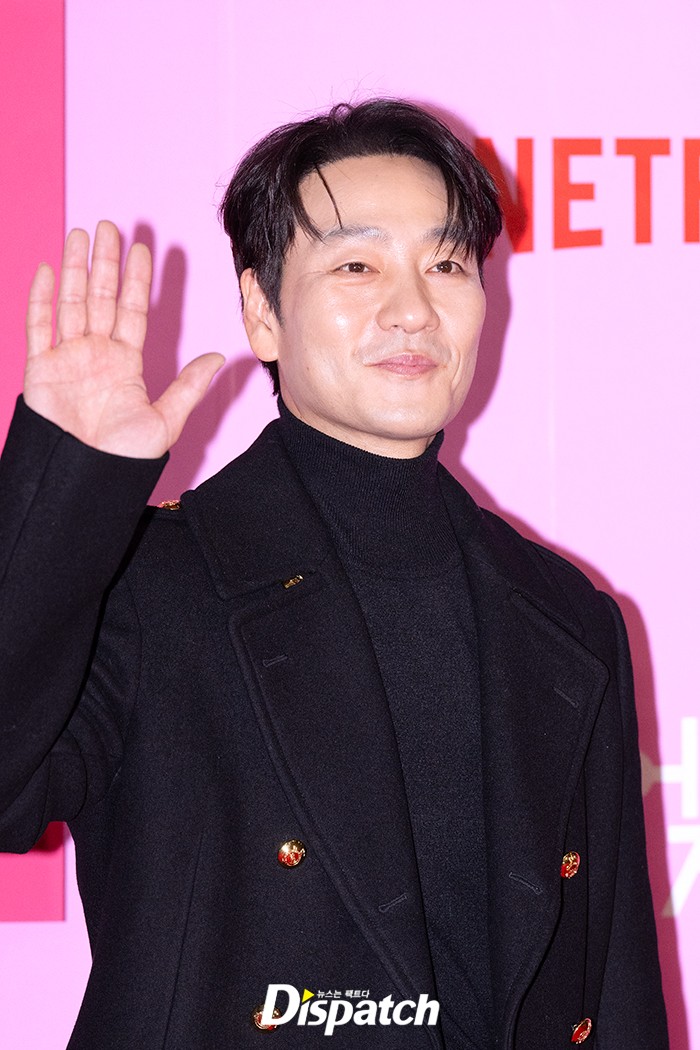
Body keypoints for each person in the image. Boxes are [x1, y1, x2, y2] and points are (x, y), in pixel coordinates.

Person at [0, 99, 667, 1049]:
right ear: (262, 312)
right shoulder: (147, 581)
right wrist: (66, 485)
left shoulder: (567, 616)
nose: (413, 308)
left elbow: (614, 988)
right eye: (357, 265)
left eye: (447, 265)